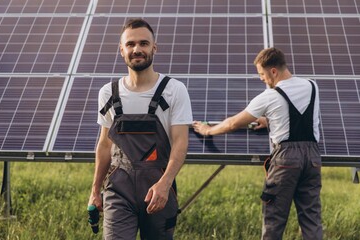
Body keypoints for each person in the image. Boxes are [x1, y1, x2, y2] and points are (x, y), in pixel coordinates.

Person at [193, 47, 322, 240]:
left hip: (286, 160)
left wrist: (208, 130)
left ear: (273, 72)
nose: (261, 78)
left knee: (274, 220)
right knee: (311, 218)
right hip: (312, 158)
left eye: (262, 74)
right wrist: (269, 119)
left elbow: (233, 123)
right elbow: (301, 116)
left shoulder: (269, 96)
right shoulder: (312, 86)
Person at [88, 18, 193, 240]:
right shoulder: (108, 93)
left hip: (158, 189)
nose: (137, 49)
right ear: (121, 50)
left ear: (154, 48)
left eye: (144, 43)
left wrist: (164, 184)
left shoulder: (174, 90)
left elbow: (180, 143)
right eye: (131, 44)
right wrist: (95, 190)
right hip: (118, 189)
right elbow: (105, 144)